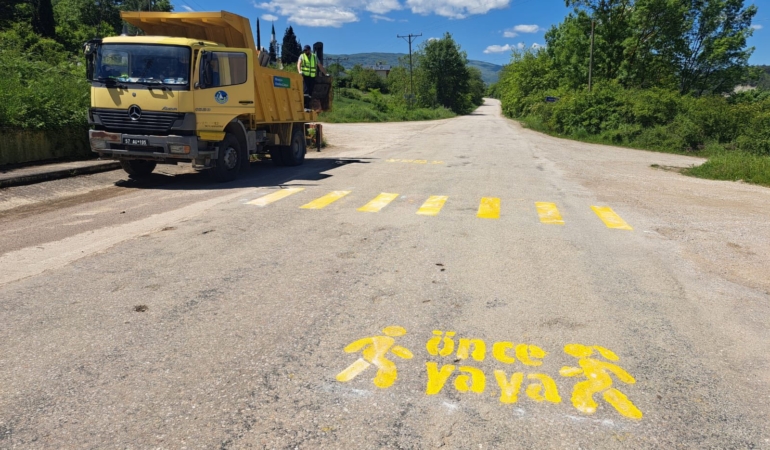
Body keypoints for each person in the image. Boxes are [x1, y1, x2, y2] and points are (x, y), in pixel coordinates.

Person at [297, 45, 327, 110]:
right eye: (304, 50)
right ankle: (305, 106)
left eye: (306, 50)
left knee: (310, 92)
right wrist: (299, 71)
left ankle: (309, 106)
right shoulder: (302, 56)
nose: (305, 51)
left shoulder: (314, 56)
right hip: (305, 76)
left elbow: (319, 66)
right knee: (306, 91)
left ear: (309, 50)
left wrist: (325, 73)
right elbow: (299, 64)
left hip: (312, 77)